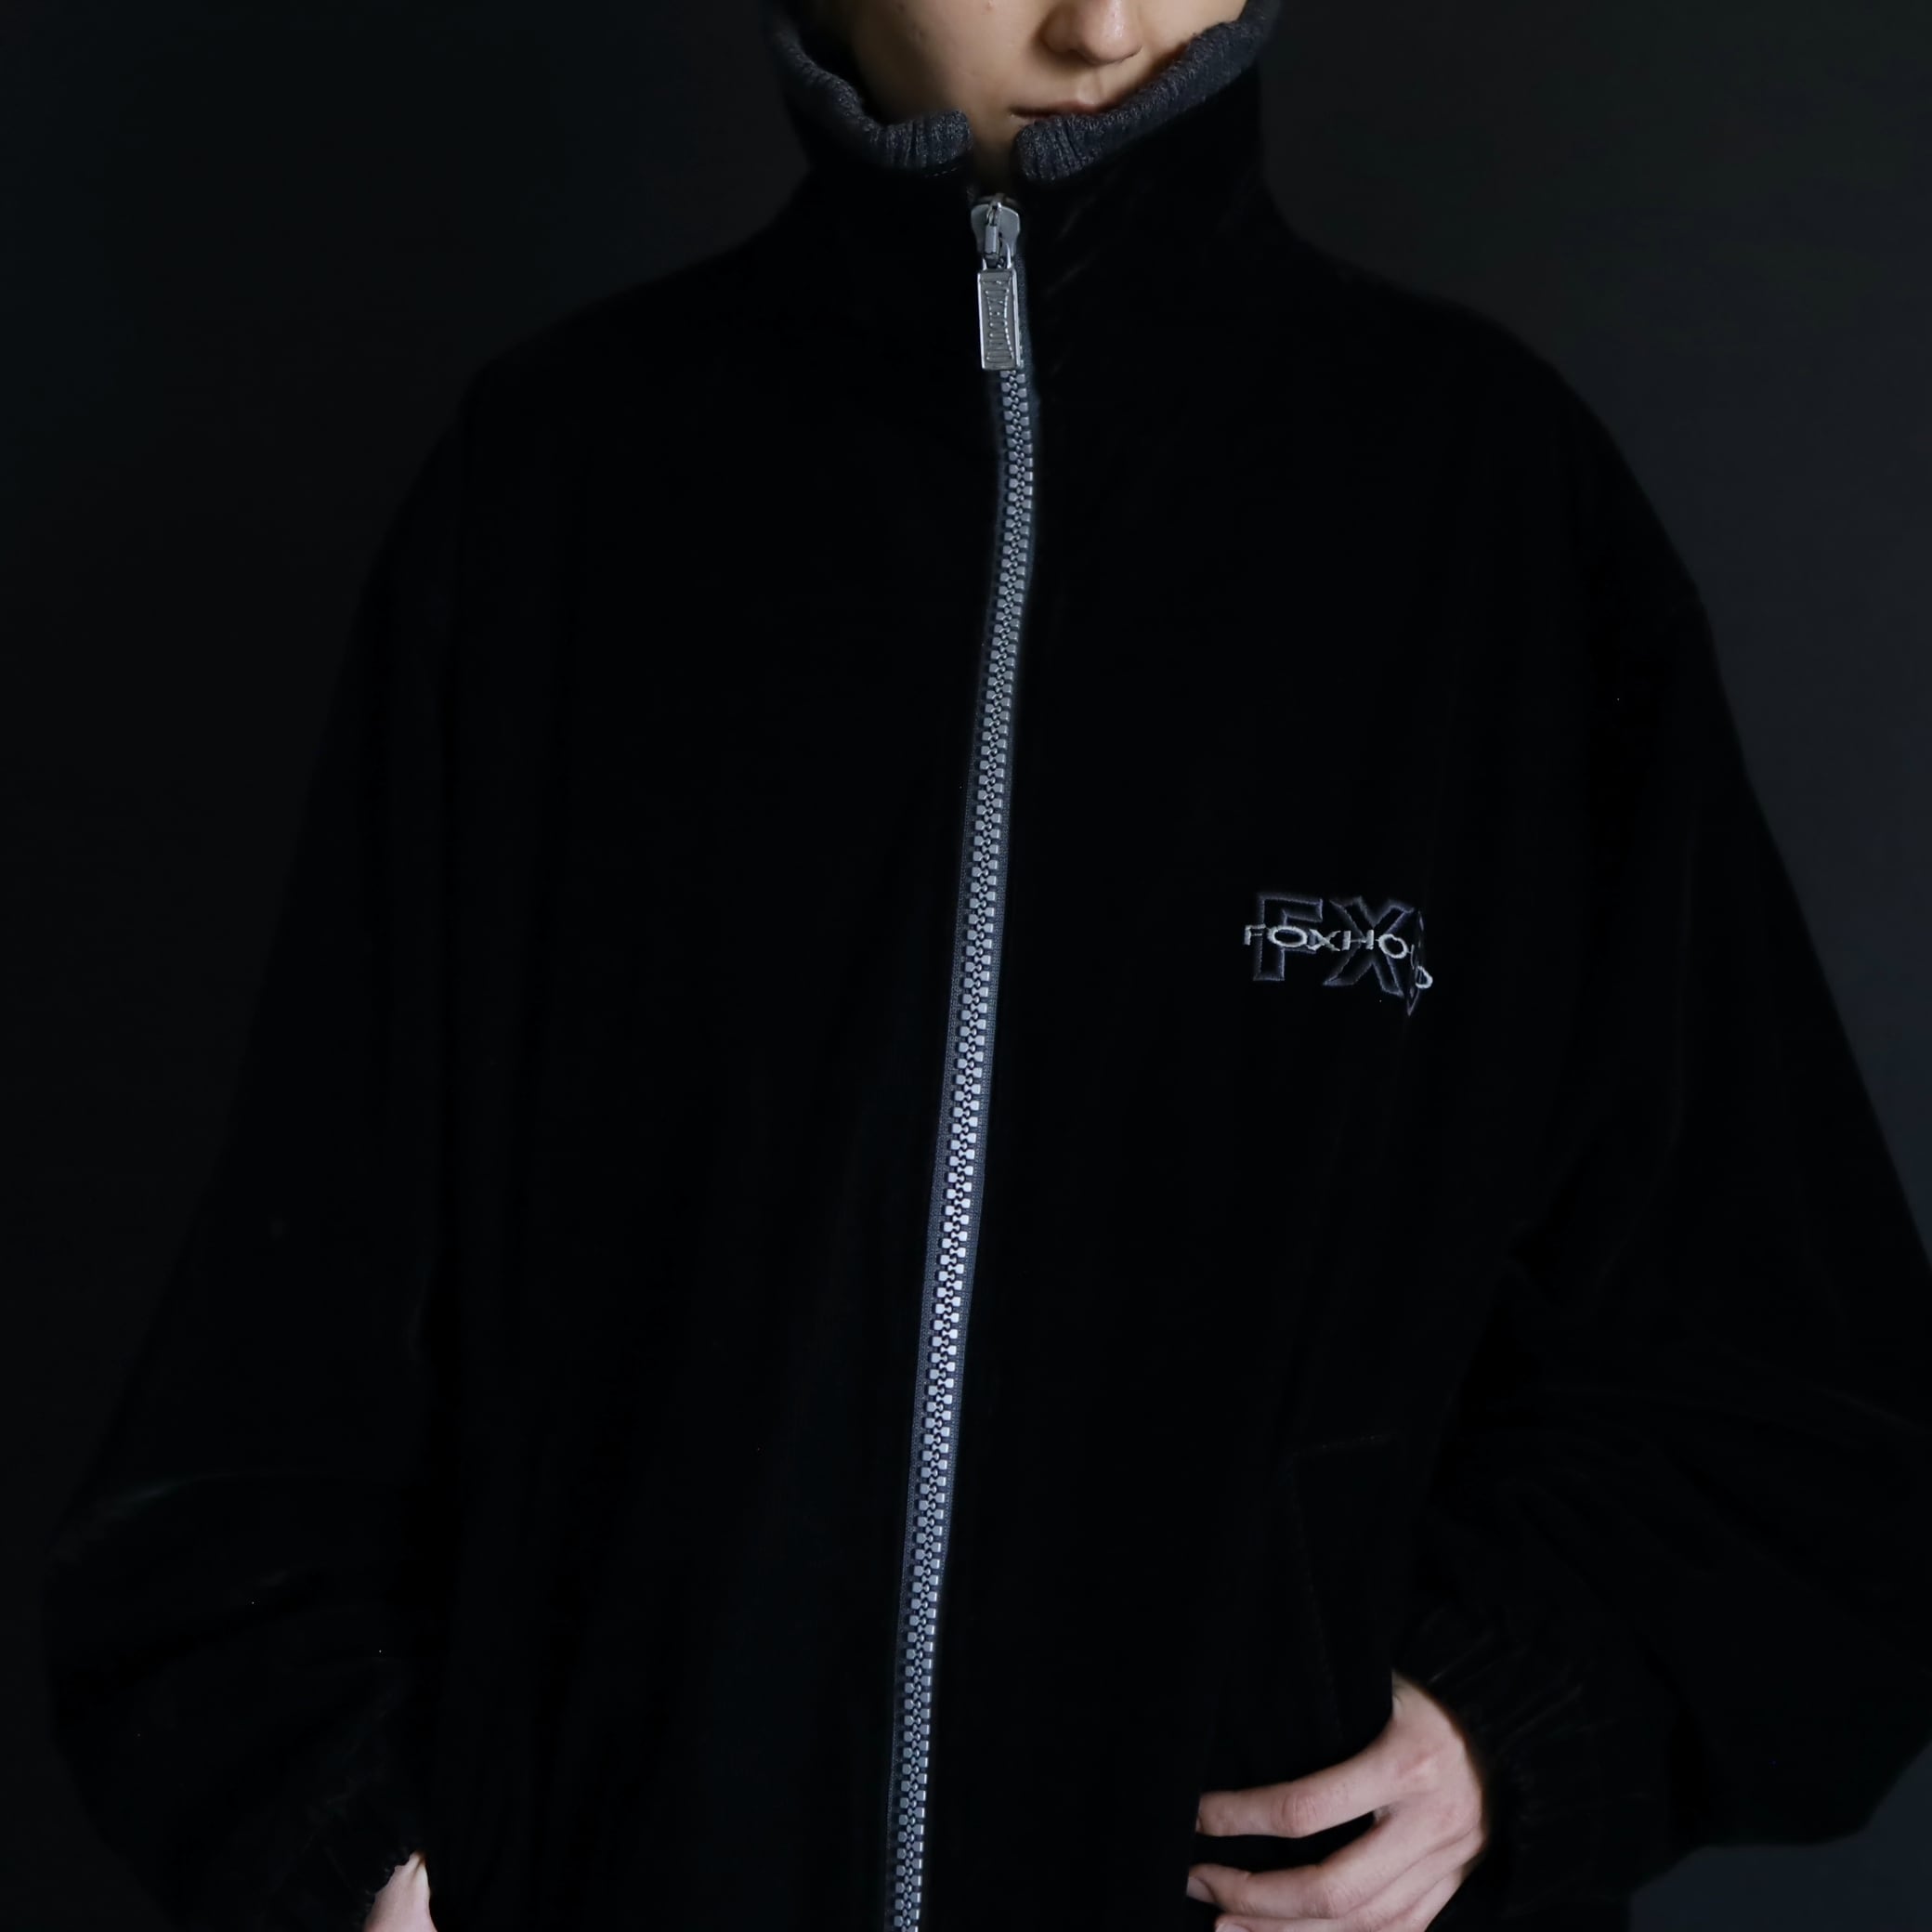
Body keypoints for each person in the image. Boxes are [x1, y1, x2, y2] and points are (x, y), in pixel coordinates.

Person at [39, 0, 1932, 1929]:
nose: (1105, 24)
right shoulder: (558, 485)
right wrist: (354, 1846)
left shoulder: (1488, 504)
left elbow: (1792, 1404)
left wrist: (1512, 1729)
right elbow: (282, 1370)